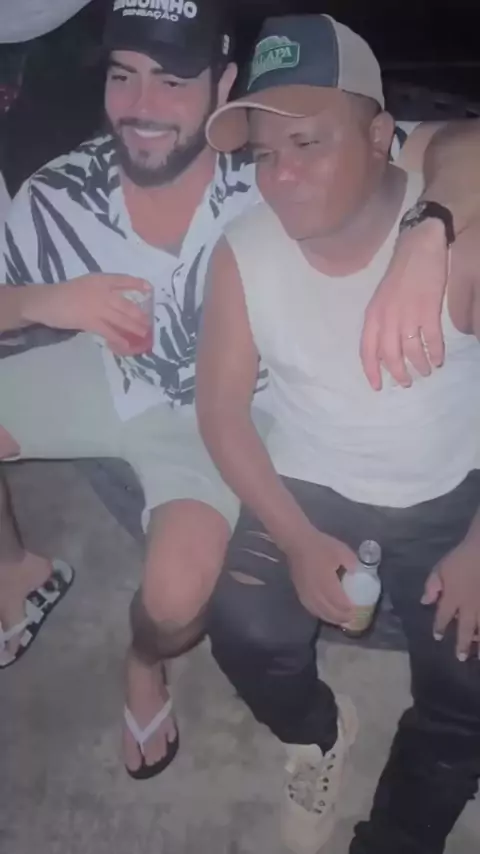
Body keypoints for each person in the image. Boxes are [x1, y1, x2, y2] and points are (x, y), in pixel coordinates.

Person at [0, 0, 479, 781]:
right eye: (124, 76)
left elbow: (462, 145)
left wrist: (431, 229)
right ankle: (14, 567)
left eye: (173, 81)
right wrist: (40, 302)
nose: (142, 105)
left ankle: (144, 661)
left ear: (223, 86)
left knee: (177, 601)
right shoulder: (60, 195)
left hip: (214, 416)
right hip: (106, 373)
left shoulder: (278, 169)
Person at [197, 13, 480, 854]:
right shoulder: (243, 252)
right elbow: (221, 412)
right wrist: (293, 537)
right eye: (263, 155)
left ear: (381, 137)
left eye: (308, 143)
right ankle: (319, 733)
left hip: (450, 492)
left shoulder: (457, 243)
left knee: (468, 698)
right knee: (243, 628)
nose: (281, 178)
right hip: (314, 482)